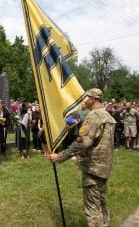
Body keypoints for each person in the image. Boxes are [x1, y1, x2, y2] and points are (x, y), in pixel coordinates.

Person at [48, 88, 116, 227]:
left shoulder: (93, 117)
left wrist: (60, 156)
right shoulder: (107, 117)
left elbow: (82, 143)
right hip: (104, 168)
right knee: (102, 203)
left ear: (93, 99)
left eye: (86, 97)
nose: (84, 100)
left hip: (92, 169)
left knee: (93, 208)